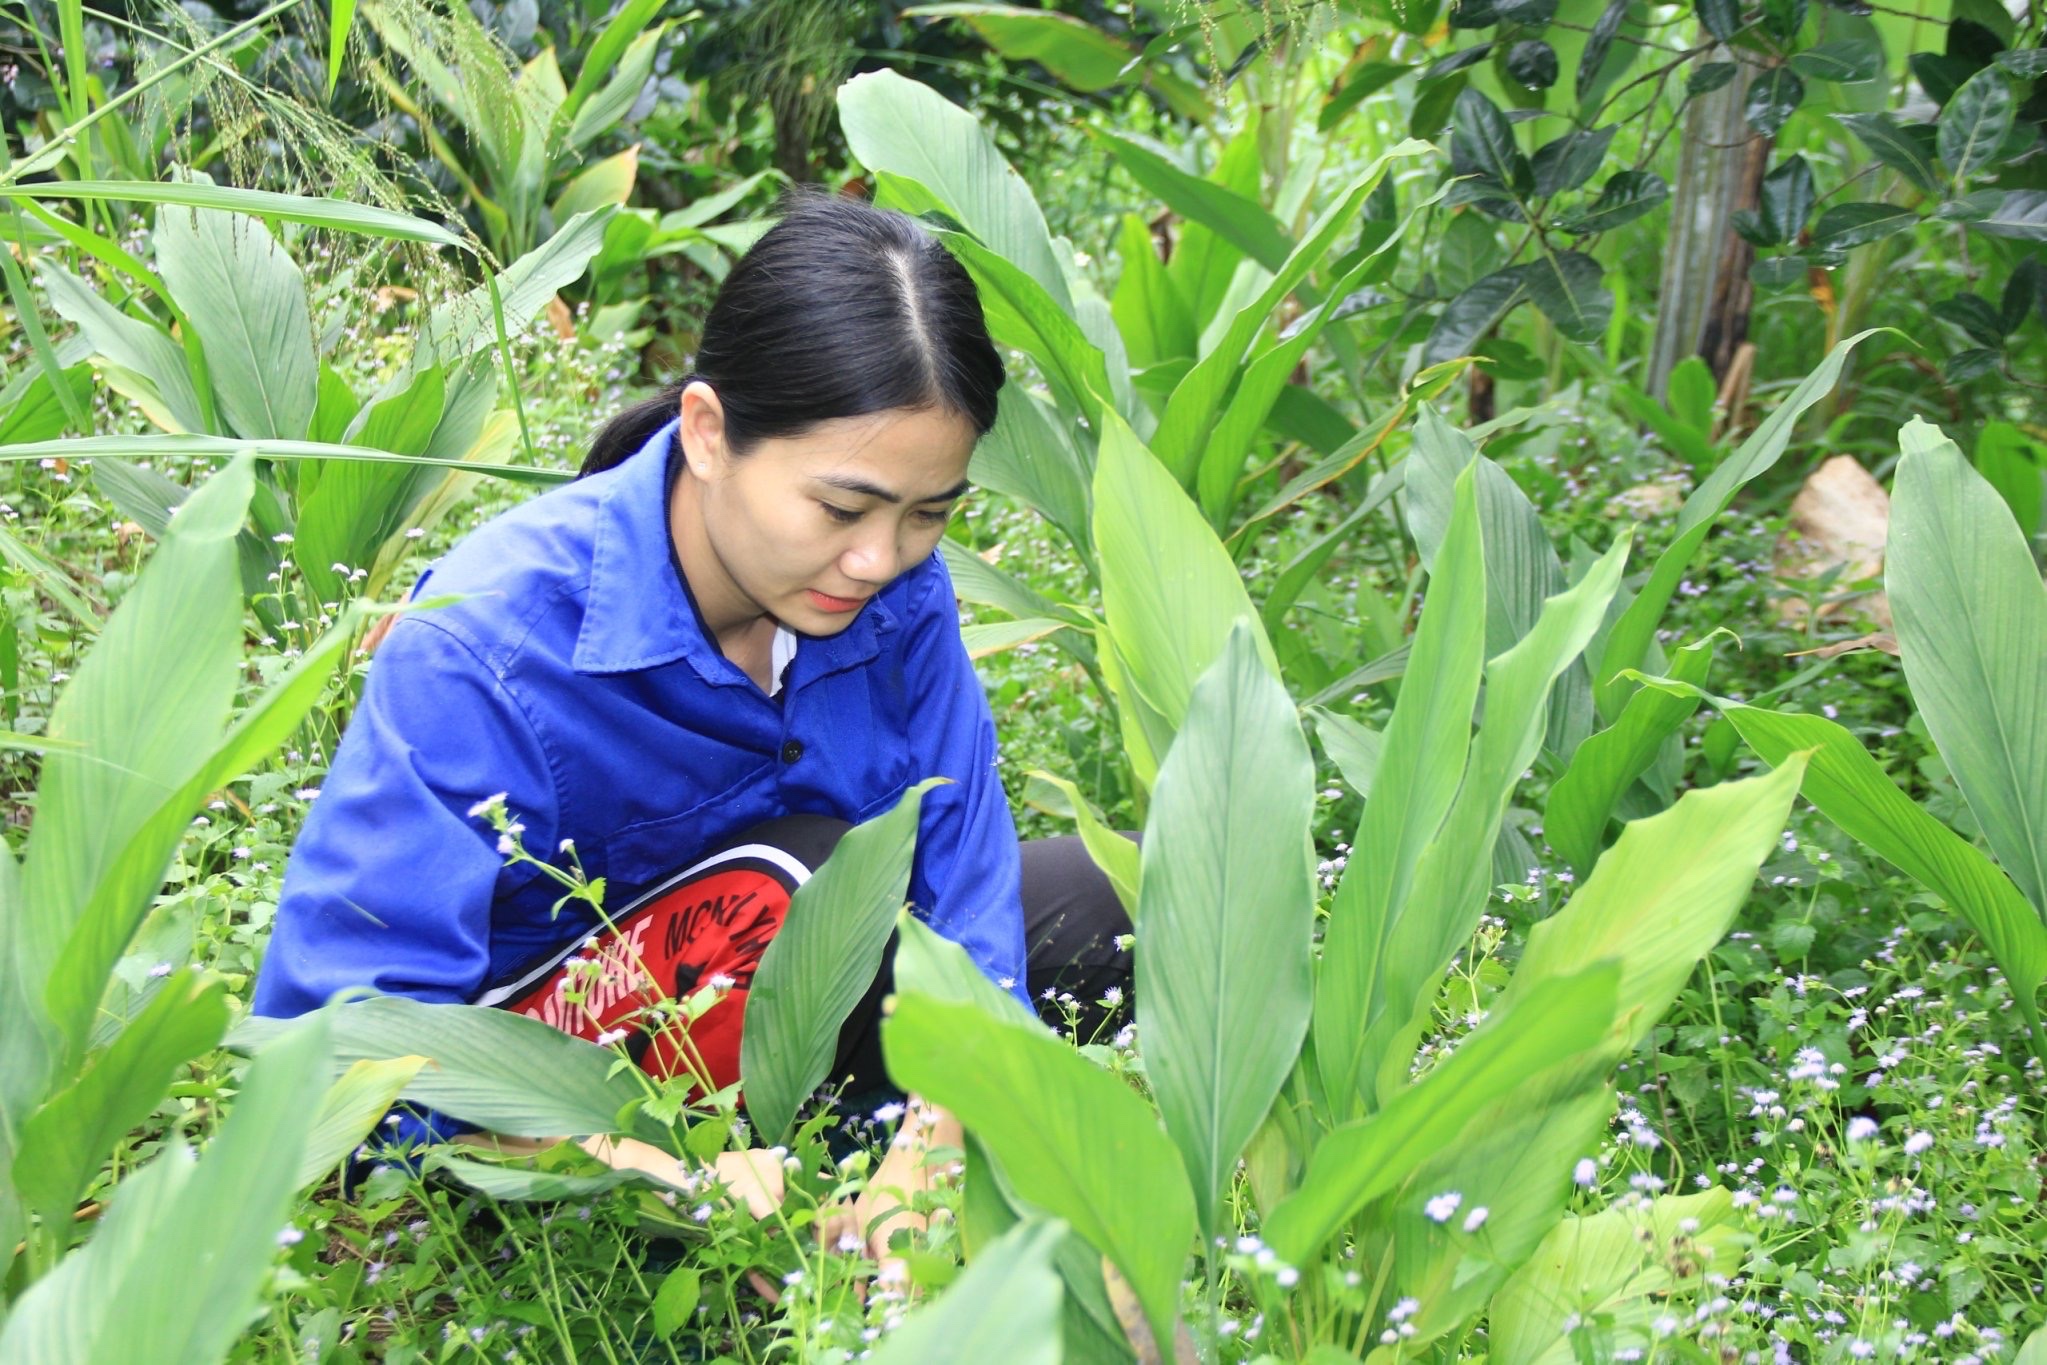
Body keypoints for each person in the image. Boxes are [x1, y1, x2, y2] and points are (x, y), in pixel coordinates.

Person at [252, 192, 1132, 1260]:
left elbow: (966, 891)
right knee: (818, 865)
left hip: (788, 1008)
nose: (878, 559)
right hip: (550, 1106)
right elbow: (341, 1034)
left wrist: (933, 1147)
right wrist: (646, 1167)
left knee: (1103, 902)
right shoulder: (485, 646)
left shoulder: (900, 595)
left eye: (928, 513)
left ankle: (850, 1188)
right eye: (841, 509)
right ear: (708, 433)